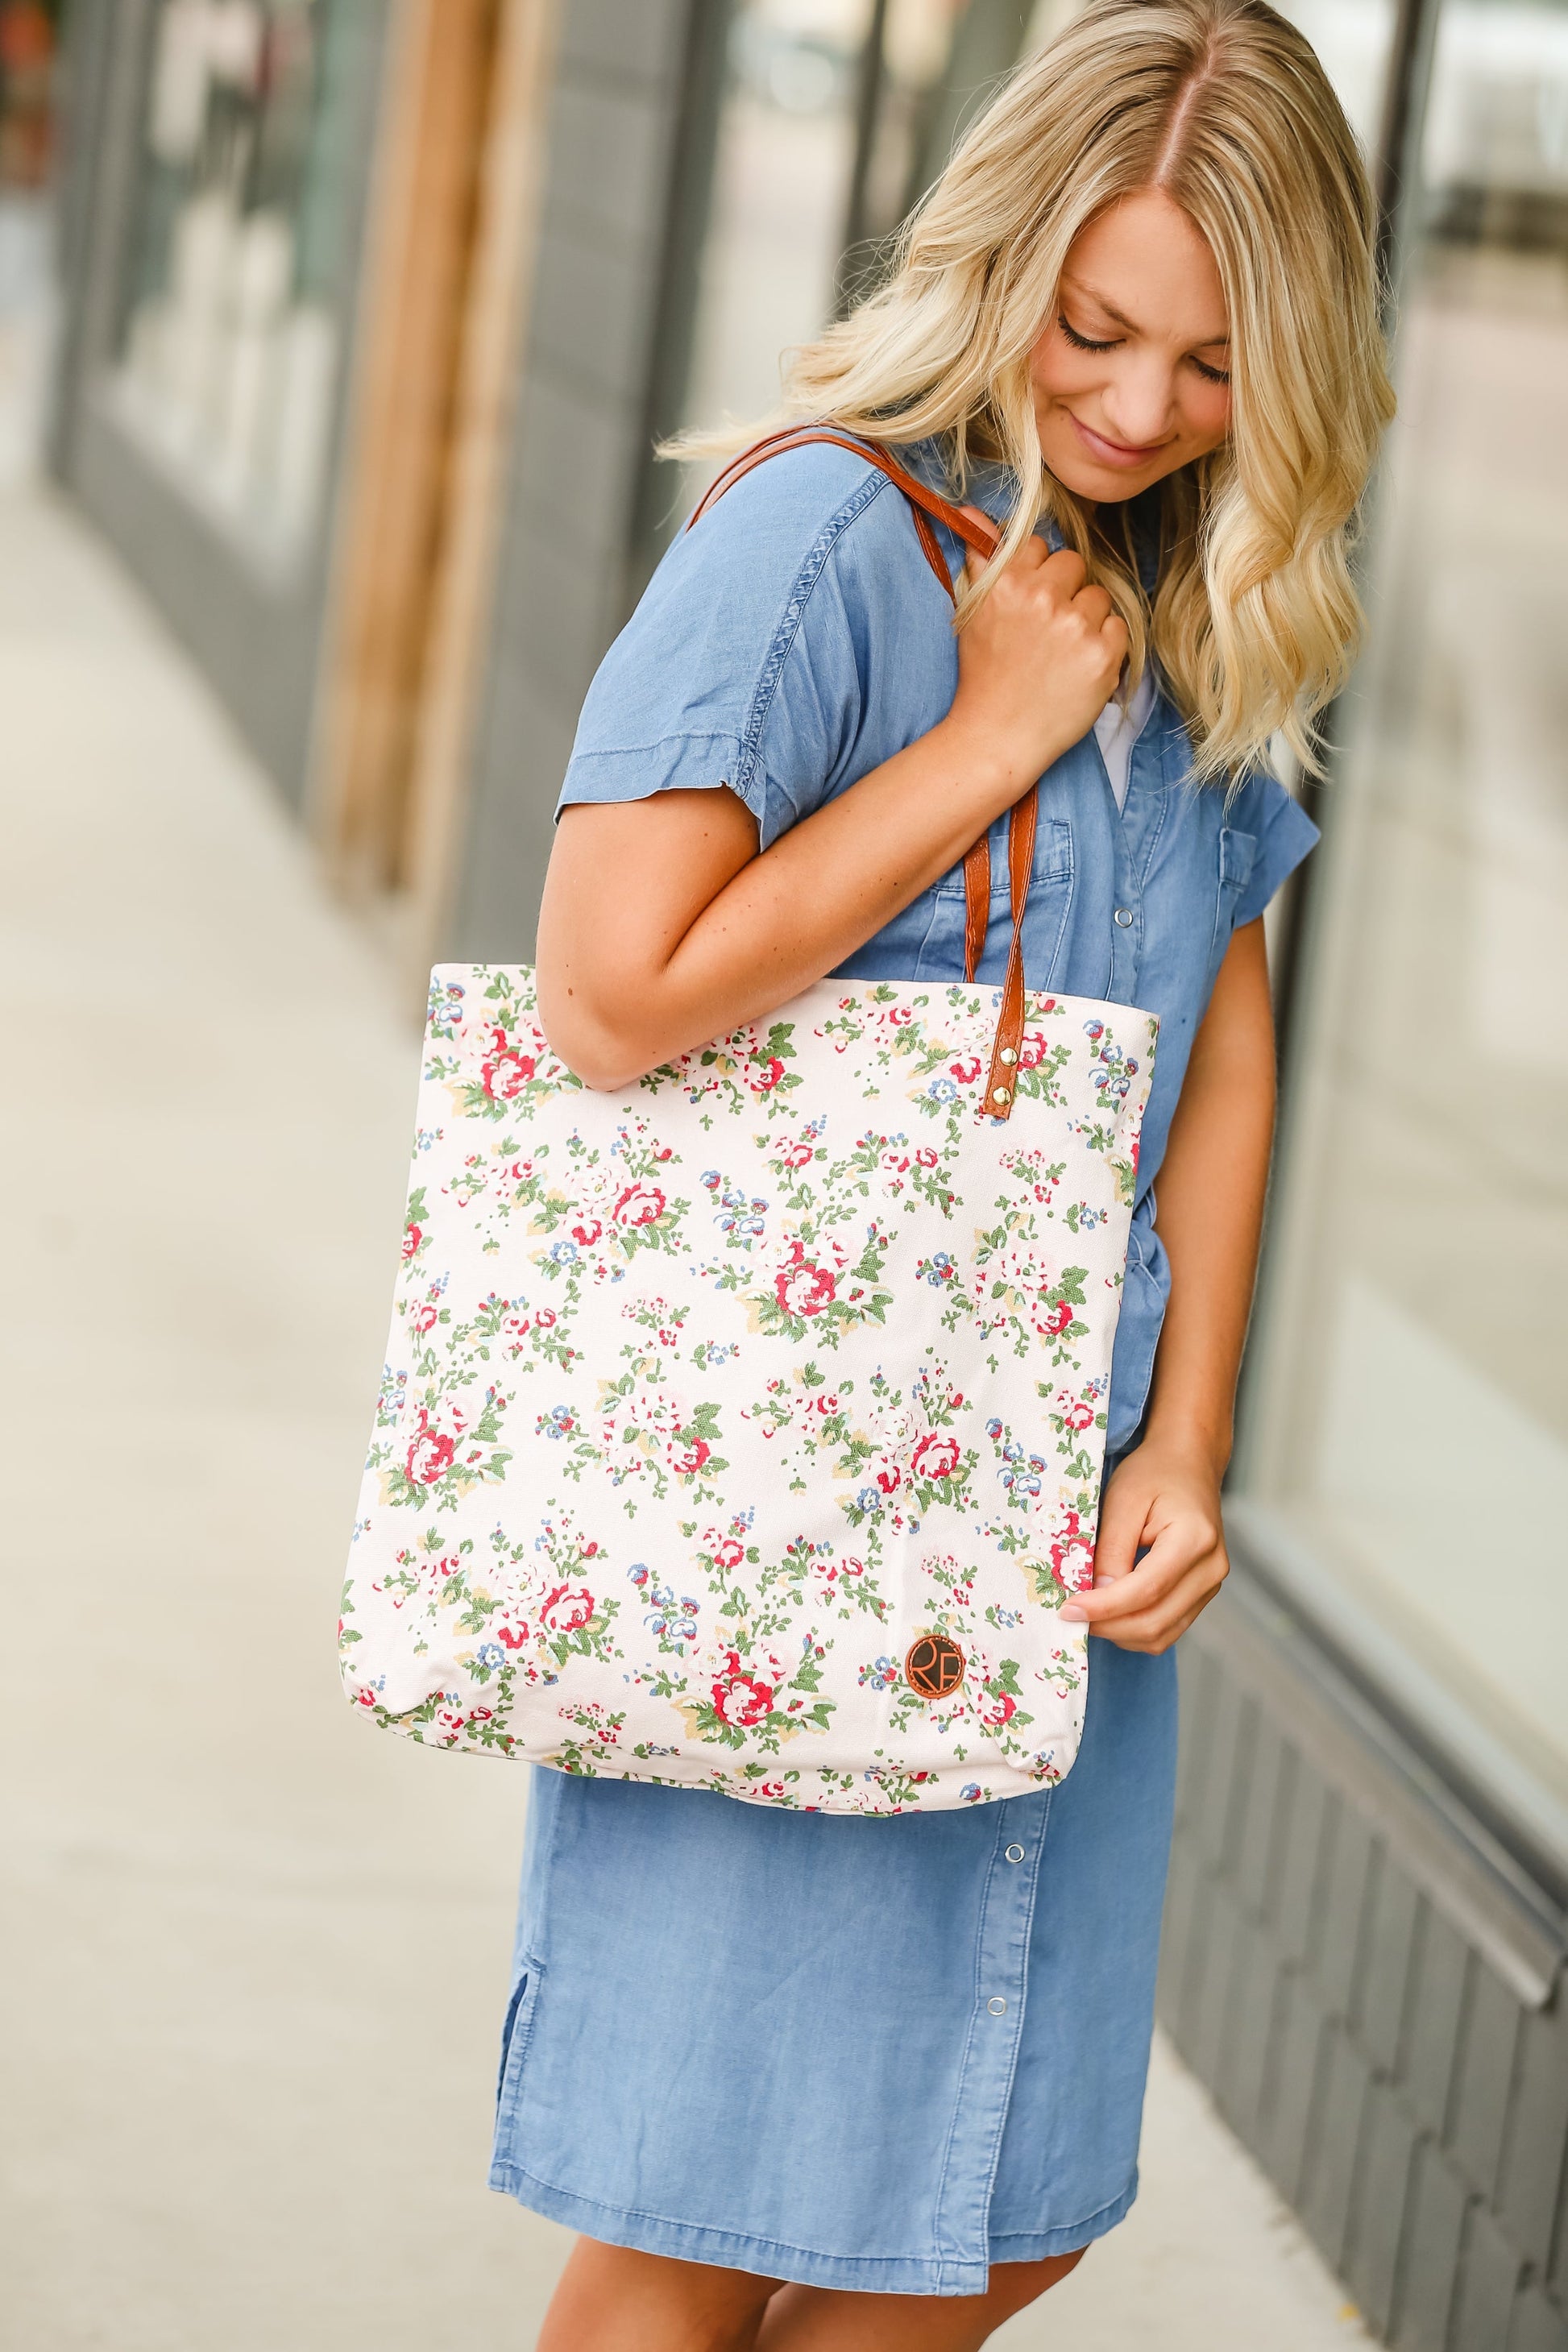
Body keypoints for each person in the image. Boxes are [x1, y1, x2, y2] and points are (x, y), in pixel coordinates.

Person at [496, 4, 1393, 2345]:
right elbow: (607, 996)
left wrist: (1187, 1442)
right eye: (1094, 331)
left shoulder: (1196, 580)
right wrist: (991, 734)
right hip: (795, 1490)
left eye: (1210, 365)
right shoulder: (820, 536)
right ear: (995, 263)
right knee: (707, 2205)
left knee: (1006, 2193)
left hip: (1054, 1532)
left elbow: (1223, 1042)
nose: (1130, 406)